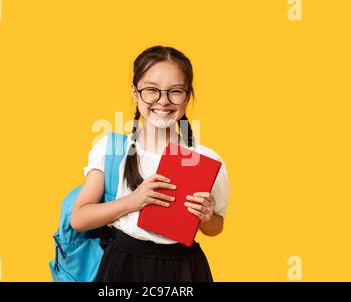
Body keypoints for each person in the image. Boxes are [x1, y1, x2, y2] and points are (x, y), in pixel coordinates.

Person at [71, 45, 231, 282]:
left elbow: (216, 227)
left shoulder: (205, 159)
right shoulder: (113, 149)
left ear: (188, 95)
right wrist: (134, 201)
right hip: (122, 266)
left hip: (183, 269)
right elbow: (79, 219)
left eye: (175, 91)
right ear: (135, 93)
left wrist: (207, 218)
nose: (163, 101)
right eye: (151, 90)